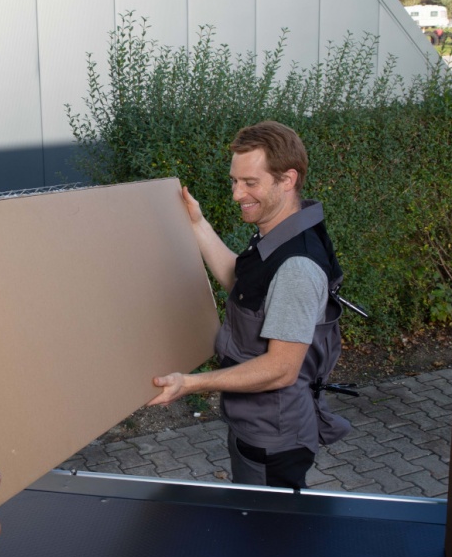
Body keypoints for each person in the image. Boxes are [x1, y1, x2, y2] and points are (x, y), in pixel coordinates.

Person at [149, 122, 349, 489]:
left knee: (267, 538)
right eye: (234, 181)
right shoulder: (275, 234)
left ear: (287, 180)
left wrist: (190, 384)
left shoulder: (297, 267)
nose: (237, 194)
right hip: (254, 426)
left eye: (250, 183)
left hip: (273, 441)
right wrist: (197, 223)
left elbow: (280, 370)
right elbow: (242, 285)